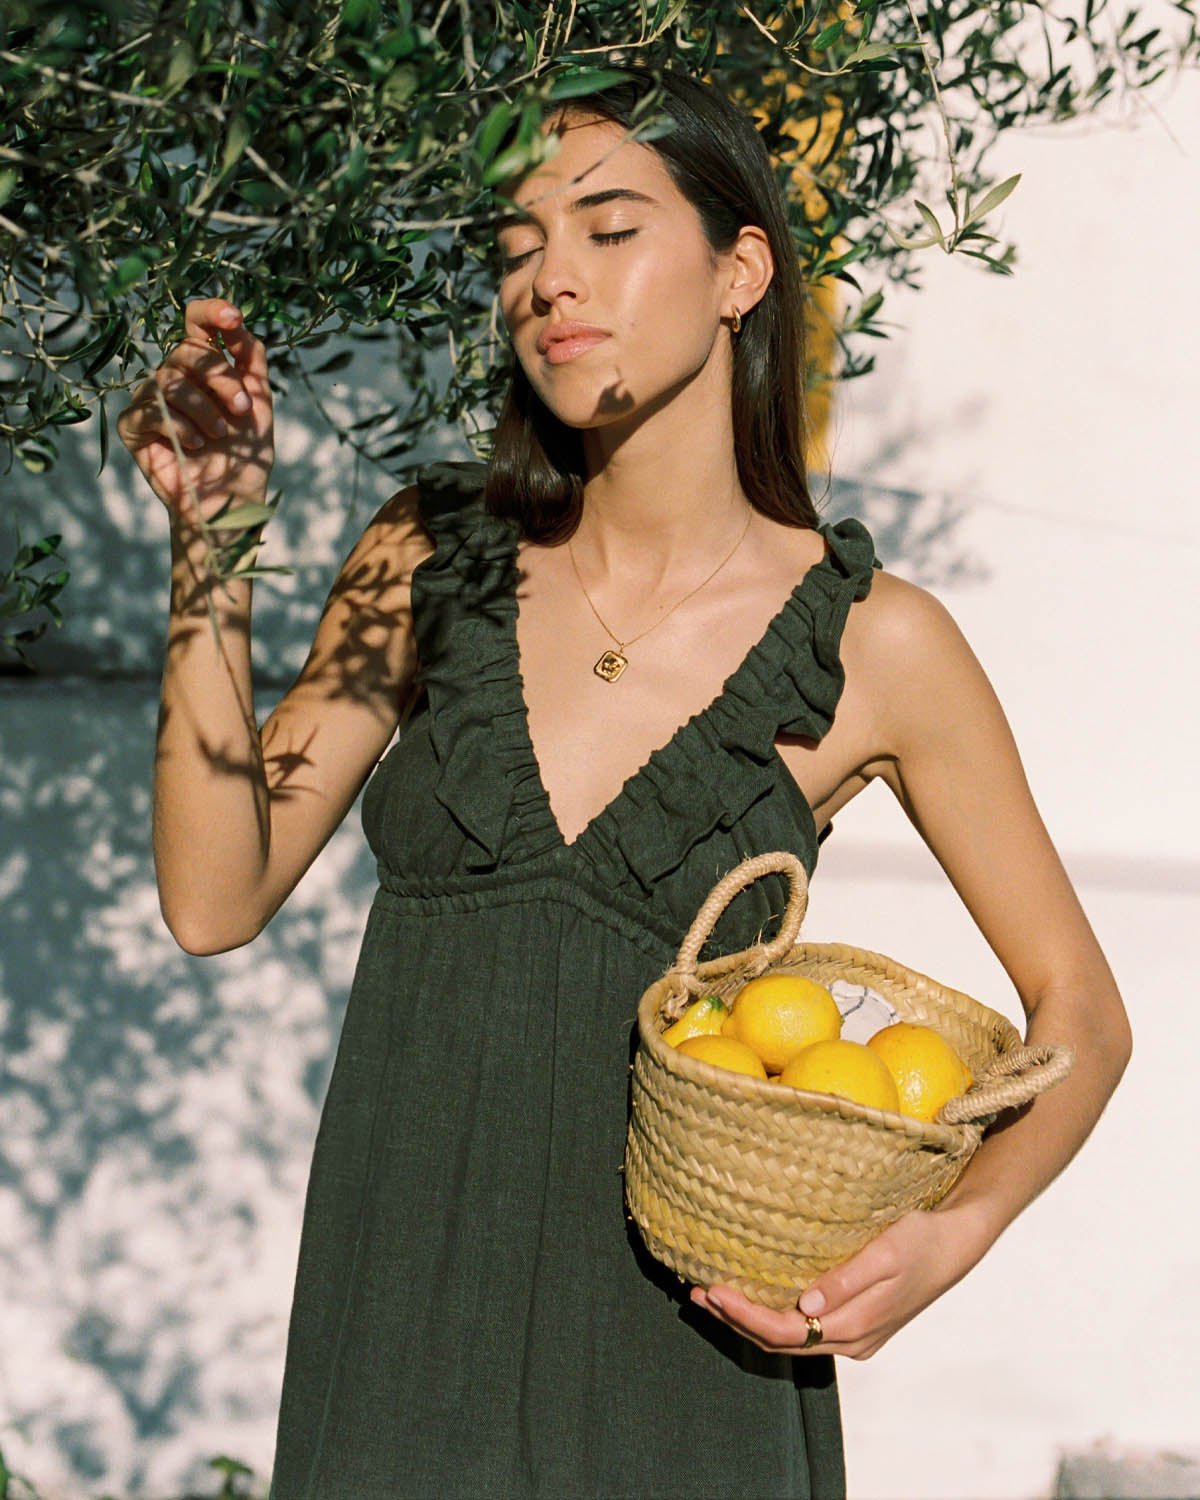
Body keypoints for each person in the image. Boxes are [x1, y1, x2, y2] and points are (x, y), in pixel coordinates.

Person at [117, 67, 1130, 1500]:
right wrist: (212, 548)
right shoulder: (429, 555)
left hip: (684, 1395)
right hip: (399, 1351)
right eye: (519, 244)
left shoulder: (878, 645)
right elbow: (215, 896)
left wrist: (946, 1239)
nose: (551, 279)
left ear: (740, 273)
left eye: (608, 229)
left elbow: (1083, 1014)